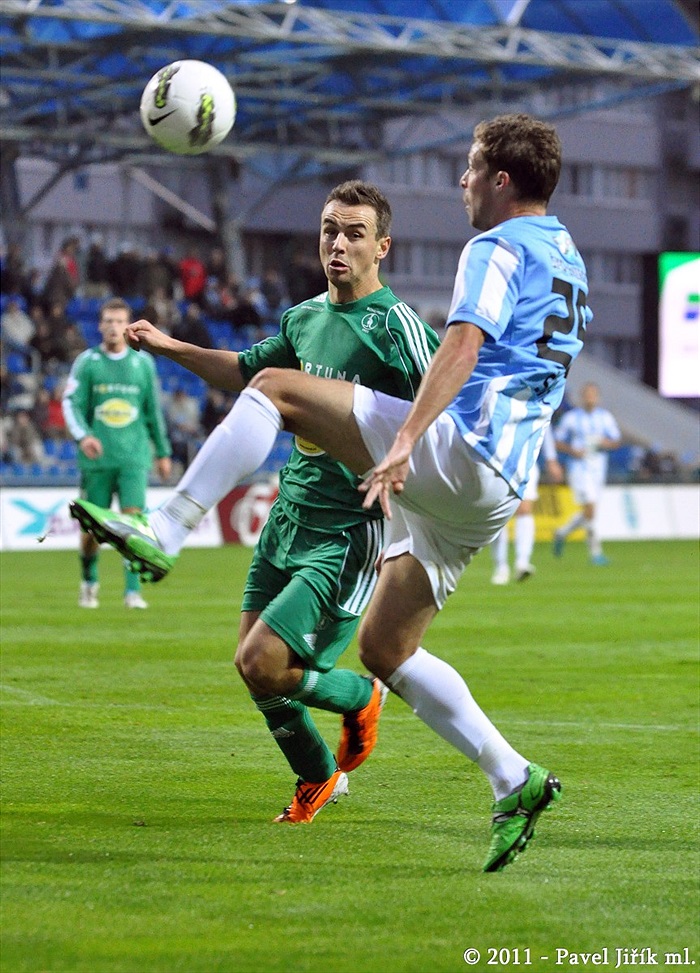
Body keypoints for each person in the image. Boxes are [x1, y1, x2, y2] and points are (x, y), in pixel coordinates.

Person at [70, 114, 589, 873]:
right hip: (499, 482)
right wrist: (176, 348)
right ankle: (513, 778)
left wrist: (407, 441)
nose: (464, 180)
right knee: (385, 647)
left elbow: (463, 340)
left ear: (502, 179)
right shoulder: (567, 252)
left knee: (275, 388)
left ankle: (167, 528)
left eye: (473, 167)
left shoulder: (496, 245)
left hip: (460, 450)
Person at [70, 180, 440, 825]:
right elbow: (246, 373)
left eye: (355, 233)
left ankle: (360, 697)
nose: (338, 243)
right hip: (289, 513)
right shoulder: (303, 319)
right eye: (330, 229)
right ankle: (318, 777)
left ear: (382, 246)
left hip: (351, 528)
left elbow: (443, 409)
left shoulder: (397, 327)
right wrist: (170, 349)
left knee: (264, 661)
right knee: (253, 668)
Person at [62, 297, 172, 610]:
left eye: (119, 321)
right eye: (108, 321)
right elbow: (71, 404)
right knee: (91, 533)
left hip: (133, 459)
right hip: (98, 460)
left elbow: (153, 413)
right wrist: (84, 436)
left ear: (128, 326)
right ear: (100, 326)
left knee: (133, 526)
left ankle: (132, 592)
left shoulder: (143, 364)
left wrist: (162, 453)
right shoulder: (87, 363)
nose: (113, 327)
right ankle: (89, 582)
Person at [552, 382, 621, 565]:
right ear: (582, 397)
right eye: (587, 394)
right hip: (579, 468)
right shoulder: (572, 418)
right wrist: (572, 450)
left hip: (598, 468)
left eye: (593, 394)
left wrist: (605, 443)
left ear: (597, 397)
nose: (590, 398)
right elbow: (557, 441)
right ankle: (595, 553)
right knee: (590, 508)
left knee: (590, 511)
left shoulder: (605, 418)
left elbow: (615, 441)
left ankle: (562, 532)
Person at [490, 426, 563, 584]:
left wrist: (551, 460)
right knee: (500, 512)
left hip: (527, 461)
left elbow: (545, 428)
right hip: (499, 461)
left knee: (525, 510)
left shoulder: (538, 402)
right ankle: (500, 566)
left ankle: (522, 562)